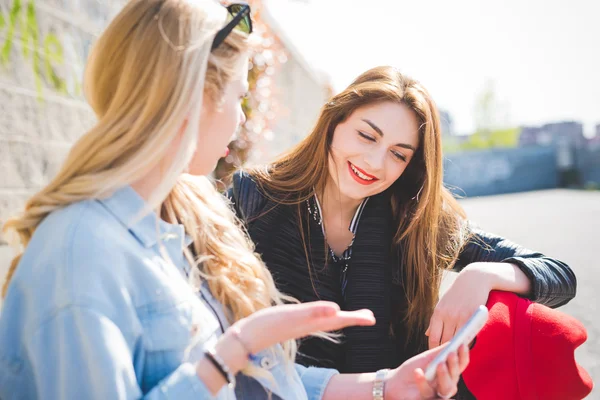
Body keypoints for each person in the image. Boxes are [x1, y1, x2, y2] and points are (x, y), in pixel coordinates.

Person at [0, 1, 468, 399]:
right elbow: (229, 366)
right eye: (238, 98)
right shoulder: (79, 253)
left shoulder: (186, 218)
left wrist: (385, 385)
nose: (241, 123)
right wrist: (226, 355)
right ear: (191, 98)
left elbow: (268, 378)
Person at [229, 65, 577, 374]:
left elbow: (559, 275)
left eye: (398, 154)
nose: (375, 163)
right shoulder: (253, 197)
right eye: (367, 136)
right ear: (334, 123)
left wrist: (481, 274)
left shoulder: (412, 216)